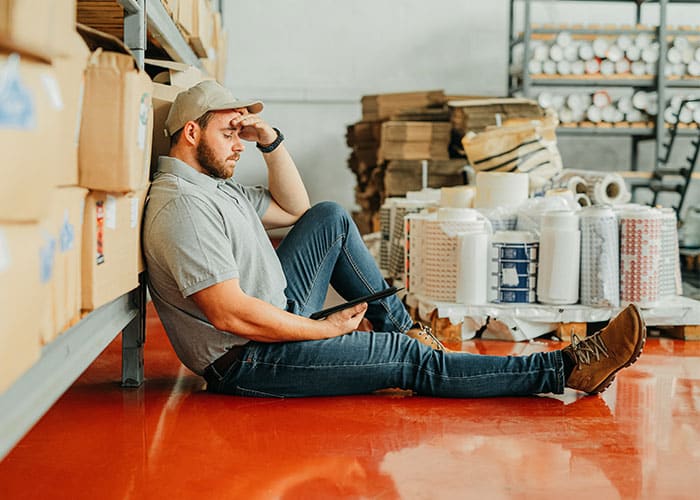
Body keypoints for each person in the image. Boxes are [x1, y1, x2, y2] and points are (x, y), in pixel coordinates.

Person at [142, 80, 646, 398]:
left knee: (331, 217)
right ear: (190, 132)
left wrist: (270, 142)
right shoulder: (184, 205)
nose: (238, 145)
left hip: (274, 312)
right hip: (249, 357)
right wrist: (327, 331)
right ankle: (566, 369)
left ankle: (407, 330)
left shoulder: (215, 188)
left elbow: (297, 210)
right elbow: (228, 315)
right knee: (407, 364)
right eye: (230, 134)